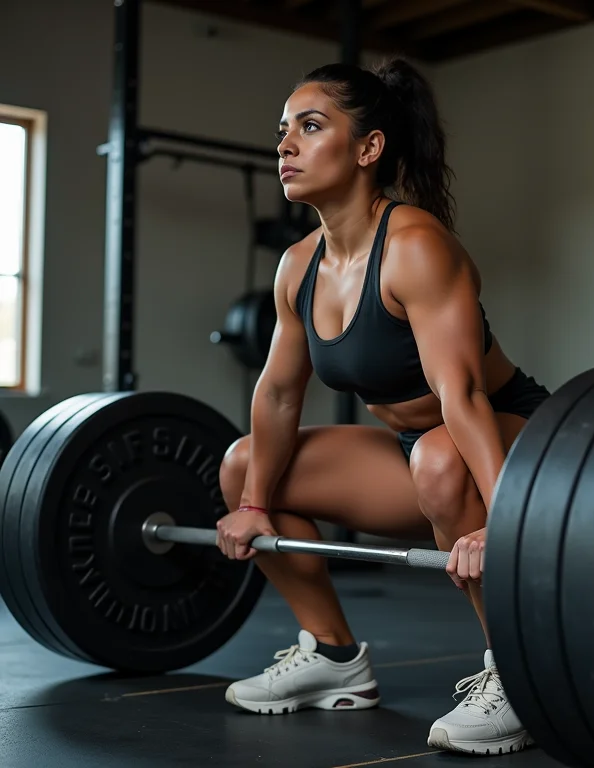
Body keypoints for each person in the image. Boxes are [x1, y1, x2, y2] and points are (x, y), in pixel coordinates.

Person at [215, 57, 550, 756]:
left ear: (369, 148)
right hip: (418, 455)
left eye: (310, 127)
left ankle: (520, 675)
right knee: (247, 465)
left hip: (518, 442)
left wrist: (508, 519)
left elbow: (460, 395)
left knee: (437, 456)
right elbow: (278, 392)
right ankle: (335, 659)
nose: (286, 145)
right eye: (284, 130)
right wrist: (251, 506)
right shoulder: (299, 265)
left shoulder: (416, 246)